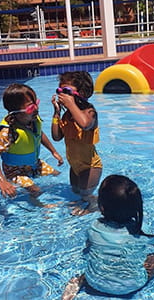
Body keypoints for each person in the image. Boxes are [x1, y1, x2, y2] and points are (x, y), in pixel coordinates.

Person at [62, 175, 154, 299]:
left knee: (93, 266)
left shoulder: (94, 227)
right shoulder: (142, 230)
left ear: (102, 207)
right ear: (137, 207)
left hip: (95, 282)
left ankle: (79, 281)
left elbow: (89, 248)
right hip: (131, 285)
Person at [0, 83, 63, 200]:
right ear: (16, 112)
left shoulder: (33, 121)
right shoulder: (9, 132)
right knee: (36, 190)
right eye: (31, 107)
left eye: (36, 104)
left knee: (57, 175)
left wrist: (53, 152)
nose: (36, 109)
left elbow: (39, 135)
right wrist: (1, 180)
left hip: (34, 164)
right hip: (15, 171)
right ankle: (43, 209)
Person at [51, 71, 102, 214]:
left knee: (86, 194)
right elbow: (56, 136)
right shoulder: (67, 115)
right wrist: (57, 113)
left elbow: (85, 124)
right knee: (76, 192)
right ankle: (85, 205)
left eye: (67, 91)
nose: (62, 95)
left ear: (83, 93)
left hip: (90, 166)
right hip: (74, 167)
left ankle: (97, 206)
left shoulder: (89, 112)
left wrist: (71, 105)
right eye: (60, 91)